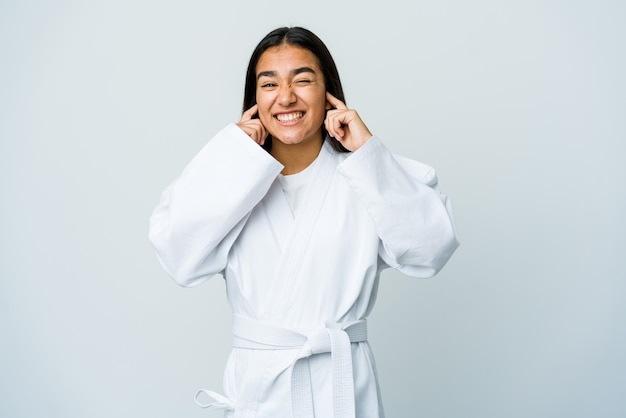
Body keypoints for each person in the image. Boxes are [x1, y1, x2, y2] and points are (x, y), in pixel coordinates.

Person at [149, 26, 459, 418]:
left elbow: (431, 252)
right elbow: (181, 259)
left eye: (303, 80)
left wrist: (368, 152)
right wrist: (230, 158)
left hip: (342, 390)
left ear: (329, 92)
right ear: (254, 100)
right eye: (269, 84)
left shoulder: (368, 175)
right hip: (262, 395)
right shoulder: (230, 181)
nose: (286, 97)